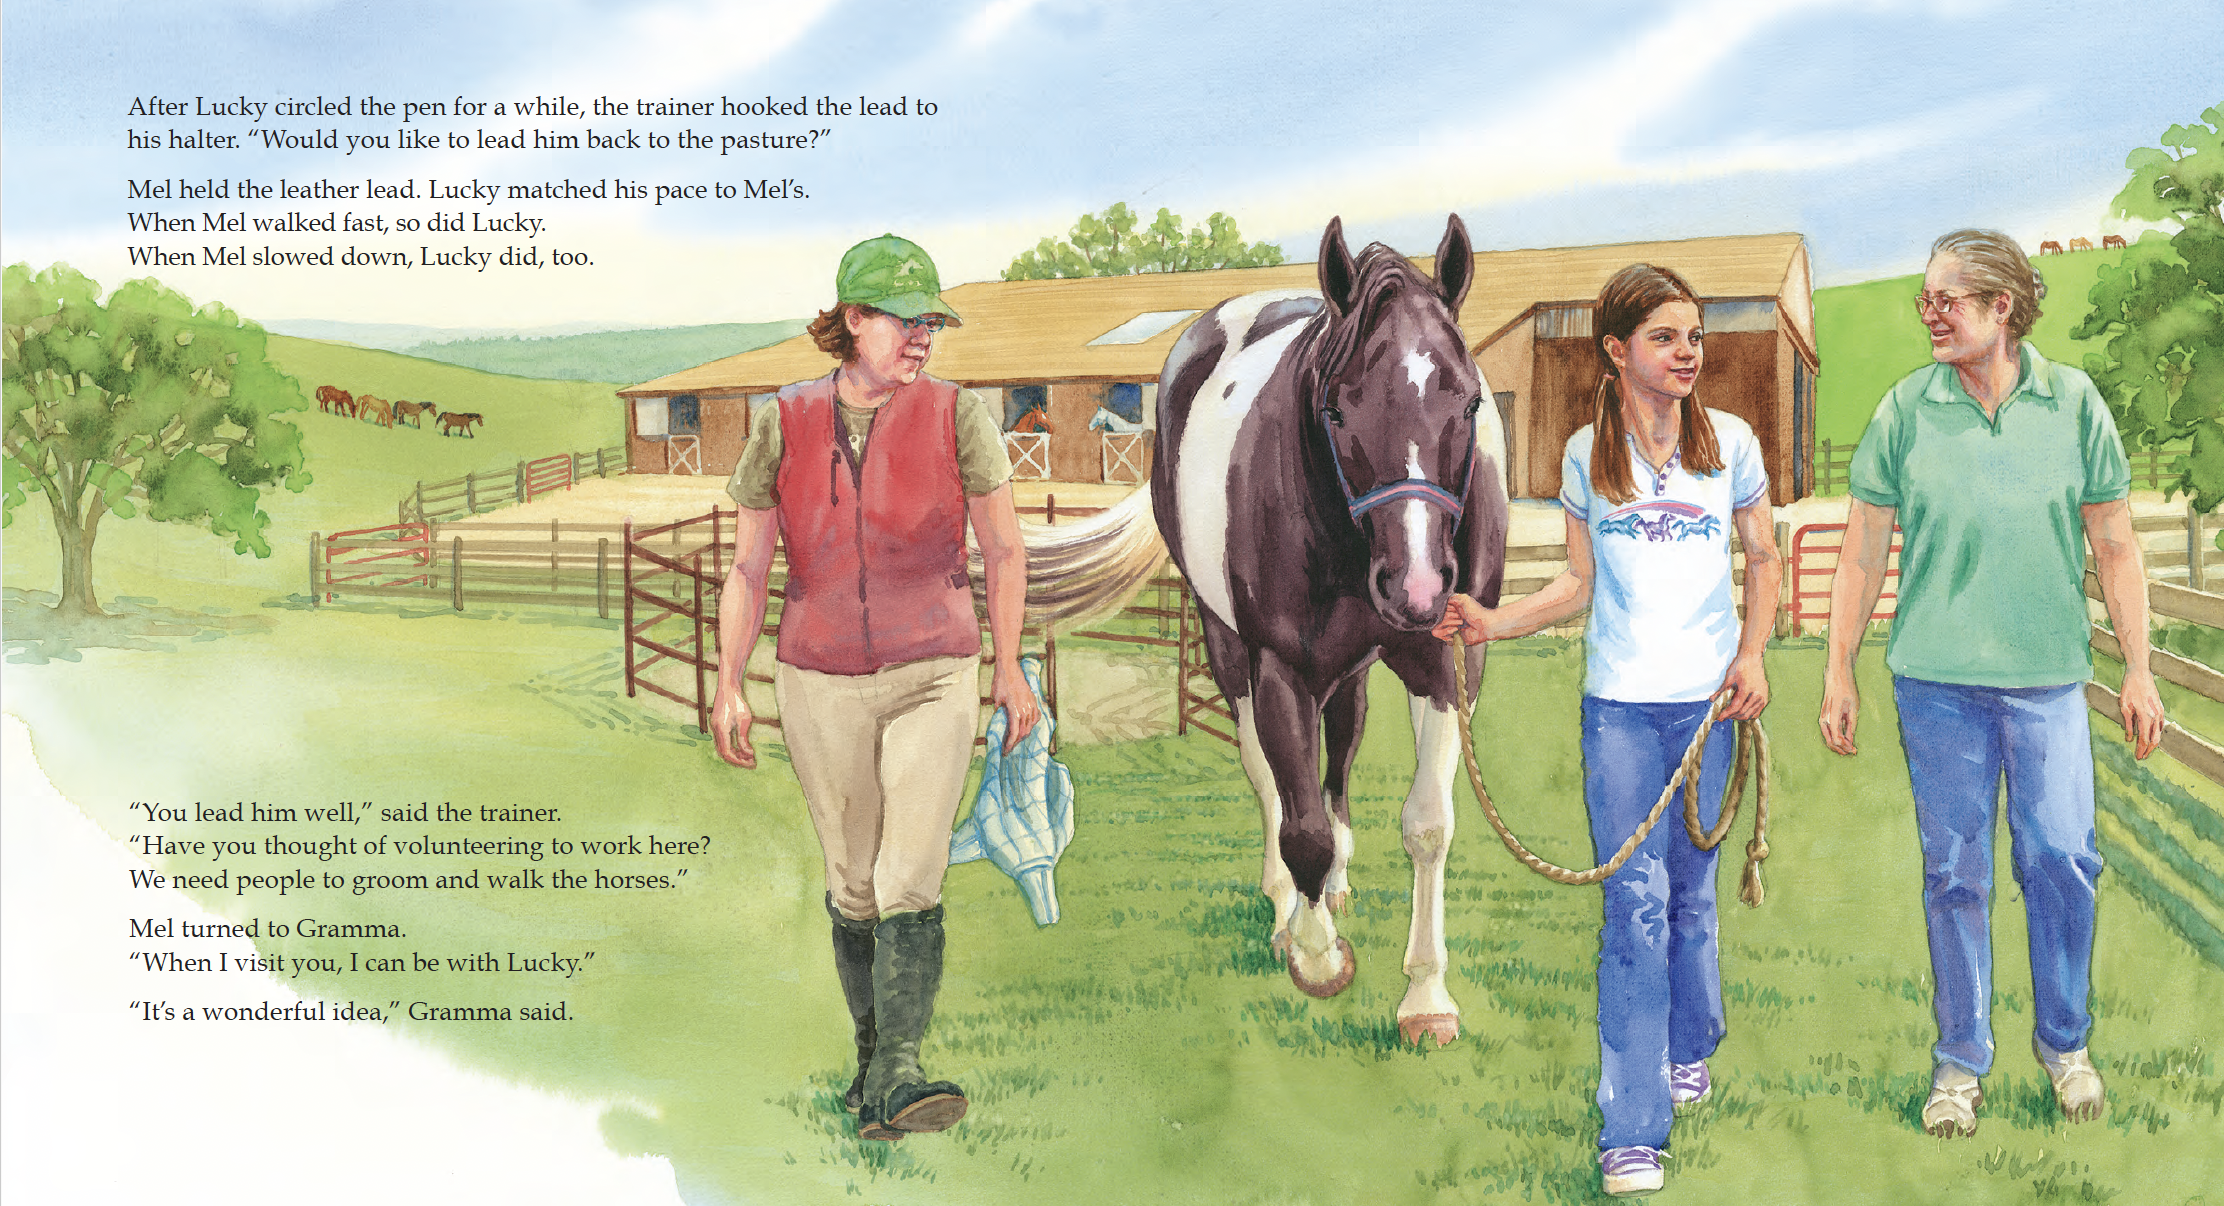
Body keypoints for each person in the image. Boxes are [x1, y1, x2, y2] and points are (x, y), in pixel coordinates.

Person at [1436, 264, 1780, 1198]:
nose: (1686, 353)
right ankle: (1631, 1129)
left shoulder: (1732, 444)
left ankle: (1690, 1042)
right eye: (1665, 337)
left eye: (1694, 336)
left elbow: (1762, 558)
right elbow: (1577, 584)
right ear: (1617, 351)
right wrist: (1493, 621)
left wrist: (1752, 658)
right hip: (1620, 713)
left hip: (1710, 710)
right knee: (1634, 905)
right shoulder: (1588, 454)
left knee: (1692, 898)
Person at [1818, 229, 2164, 1139]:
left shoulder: (2073, 401)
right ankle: (1960, 1063)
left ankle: (2066, 1046)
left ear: (2001, 307)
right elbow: (1861, 554)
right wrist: (1838, 669)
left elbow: (2116, 545)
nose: (1929, 315)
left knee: (2063, 860)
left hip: (2050, 683)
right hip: (1935, 684)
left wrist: (2138, 668)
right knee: (1954, 874)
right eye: (1924, 299)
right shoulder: (1906, 409)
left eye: (1947, 300)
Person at [709, 233, 1040, 1142]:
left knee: (909, 875)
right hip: (817, 679)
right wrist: (730, 682)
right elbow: (747, 568)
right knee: (853, 884)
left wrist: (1008, 665)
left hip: (934, 669)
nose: (924, 336)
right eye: (906, 319)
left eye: (933, 321)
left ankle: (901, 1071)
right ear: (853, 320)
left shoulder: (958, 415)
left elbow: (1005, 549)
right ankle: (873, 1072)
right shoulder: (782, 419)